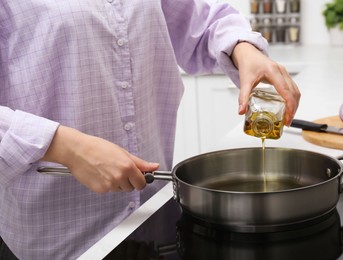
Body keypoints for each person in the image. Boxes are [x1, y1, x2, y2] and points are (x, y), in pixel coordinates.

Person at [0, 0, 300, 259]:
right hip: (61, 242)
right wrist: (65, 146)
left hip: (151, 220)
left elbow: (202, 20)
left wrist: (243, 48)